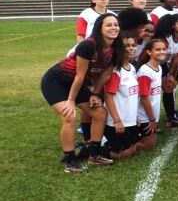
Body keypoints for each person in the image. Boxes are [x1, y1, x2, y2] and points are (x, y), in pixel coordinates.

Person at [41, 13, 123, 172]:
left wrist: (95, 93)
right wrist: (71, 100)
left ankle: (94, 154)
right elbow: (79, 74)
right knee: (69, 116)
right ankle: (70, 160)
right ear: (99, 28)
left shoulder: (116, 47)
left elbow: (106, 74)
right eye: (109, 25)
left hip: (77, 84)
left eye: (116, 24)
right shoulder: (88, 45)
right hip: (56, 81)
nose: (113, 28)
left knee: (100, 113)